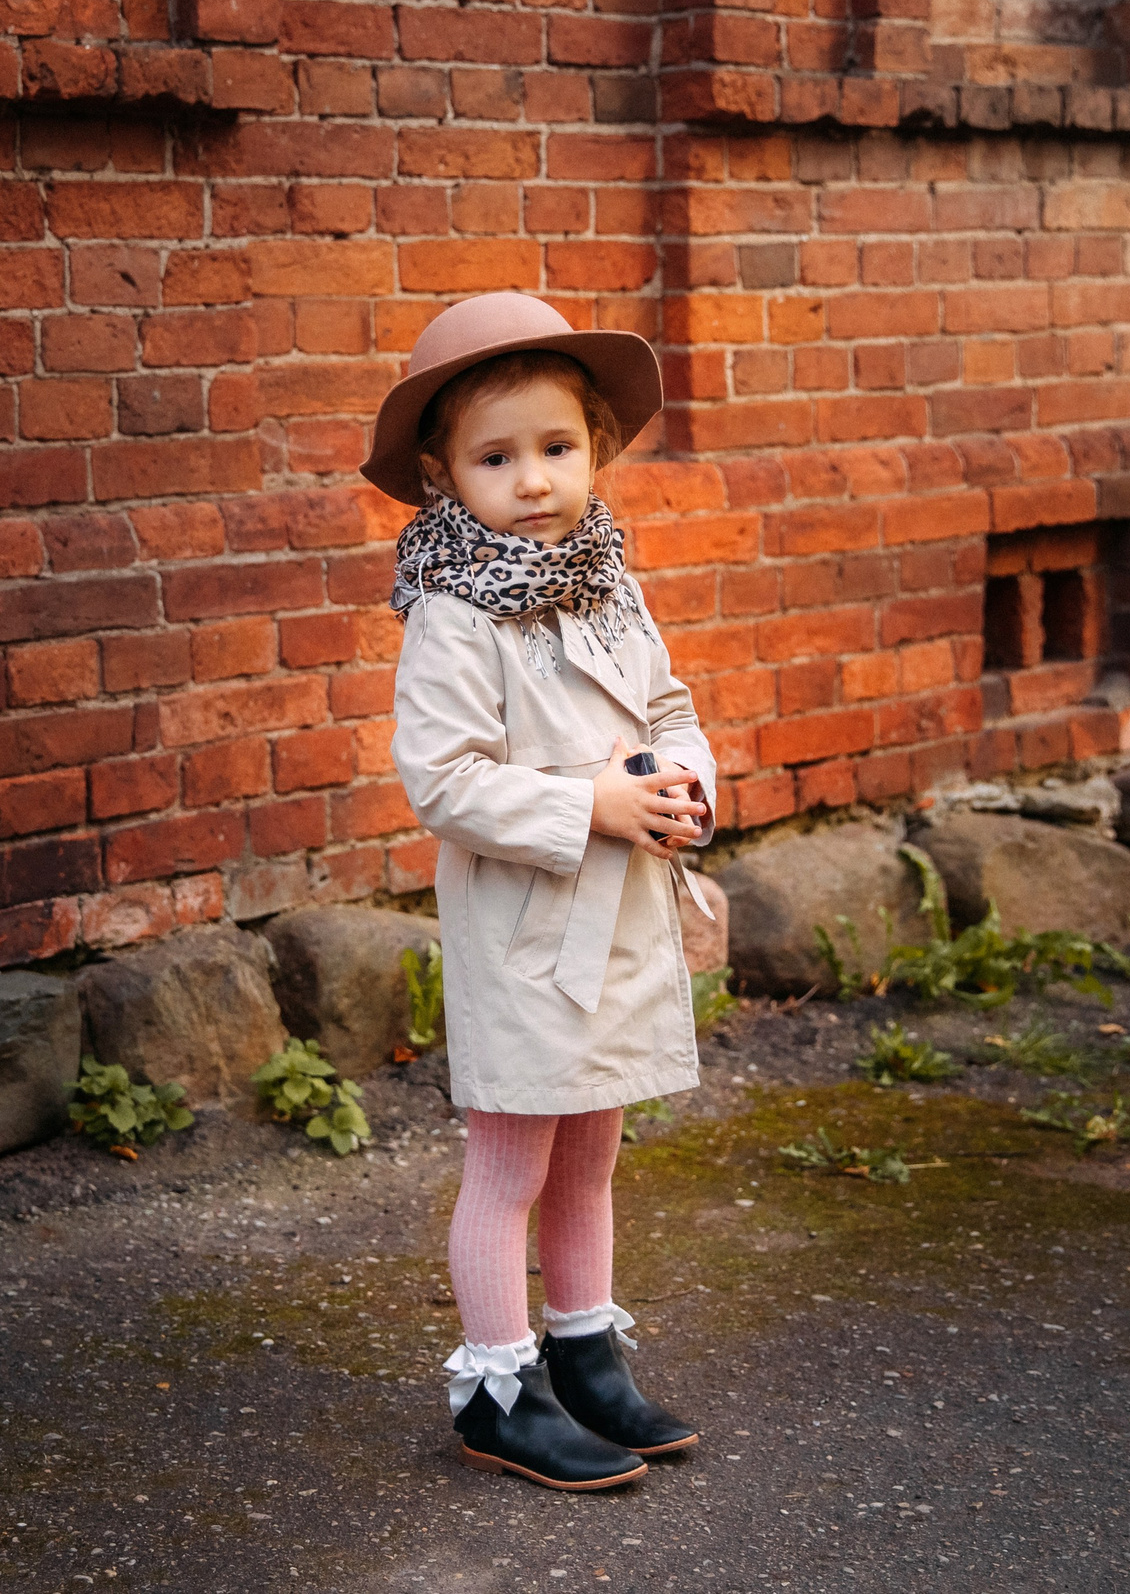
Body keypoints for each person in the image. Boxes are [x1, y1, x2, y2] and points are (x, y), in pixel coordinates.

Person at [370, 292, 717, 1493]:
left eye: (556, 449)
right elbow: (445, 780)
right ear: (440, 474)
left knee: (592, 1152)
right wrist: (590, 807)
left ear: (597, 451)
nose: (532, 480)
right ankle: (499, 1386)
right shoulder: (453, 615)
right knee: (513, 1159)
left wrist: (683, 787)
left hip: (619, 914)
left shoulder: (605, 582)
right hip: (526, 929)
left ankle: (585, 1351)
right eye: (496, 456)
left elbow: (665, 707)